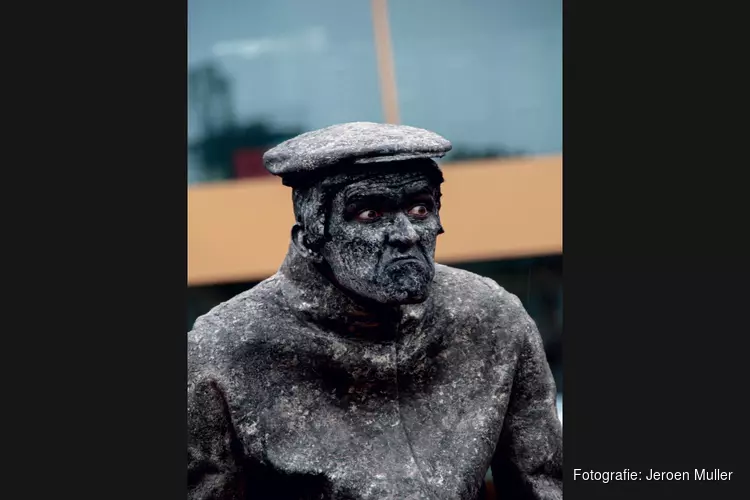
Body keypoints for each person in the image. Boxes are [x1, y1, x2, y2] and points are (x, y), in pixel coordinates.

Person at [187, 122, 562, 500]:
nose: (406, 234)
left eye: (420, 208)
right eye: (370, 213)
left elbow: (545, 484)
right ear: (313, 237)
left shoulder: (491, 316)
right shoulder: (224, 348)